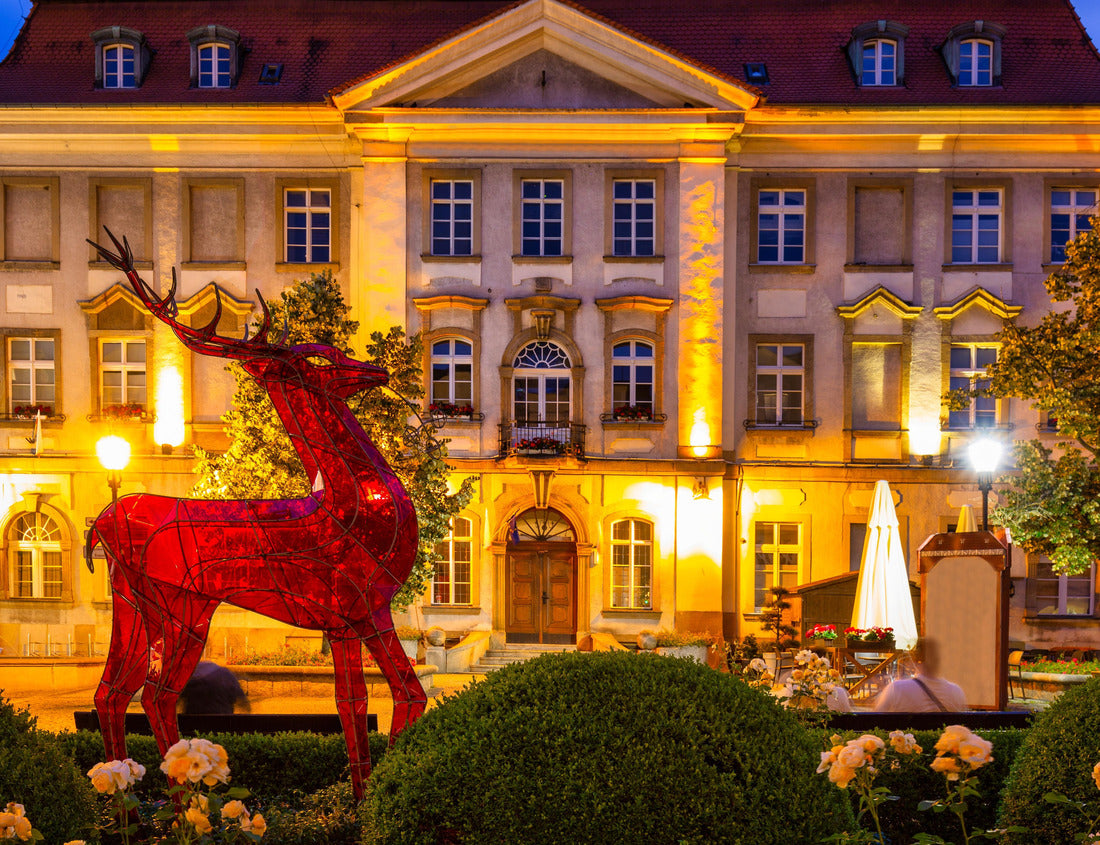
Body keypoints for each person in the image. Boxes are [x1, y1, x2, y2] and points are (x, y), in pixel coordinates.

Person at [874, 638, 966, 713]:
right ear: (939, 660)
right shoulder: (956, 692)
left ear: (914, 660)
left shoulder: (896, 689)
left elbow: (877, 717)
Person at [178, 661, 250, 715]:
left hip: (194, 725)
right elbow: (244, 703)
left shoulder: (190, 679)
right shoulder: (226, 675)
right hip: (224, 724)